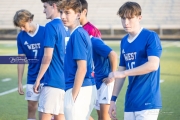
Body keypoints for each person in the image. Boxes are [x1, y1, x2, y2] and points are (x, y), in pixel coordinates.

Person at [108, 1, 162, 120]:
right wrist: (113, 100)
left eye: (130, 18)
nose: (126, 22)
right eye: (123, 18)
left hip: (148, 101)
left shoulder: (150, 36)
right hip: (131, 102)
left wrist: (124, 73)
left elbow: (153, 65)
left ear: (139, 18)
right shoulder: (124, 41)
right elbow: (121, 70)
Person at [60, 0, 97, 119]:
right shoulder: (78, 33)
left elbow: (82, 68)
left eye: (67, 13)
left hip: (80, 89)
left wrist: (73, 96)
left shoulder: (77, 34)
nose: (63, 16)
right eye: (61, 12)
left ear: (78, 14)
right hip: (83, 88)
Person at [33, 0, 69, 120]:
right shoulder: (67, 27)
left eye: (45, 7)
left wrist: (38, 79)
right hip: (65, 82)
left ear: (54, 6)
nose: (43, 10)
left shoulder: (51, 26)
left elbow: (47, 57)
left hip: (52, 81)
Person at [13, 9, 45, 120]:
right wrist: (20, 82)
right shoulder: (21, 37)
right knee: (31, 107)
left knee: (48, 110)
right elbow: (20, 59)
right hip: (32, 76)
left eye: (23, 25)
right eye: (20, 27)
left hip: (48, 77)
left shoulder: (45, 31)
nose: (22, 29)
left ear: (30, 19)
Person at [90, 37, 118, 120]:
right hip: (97, 82)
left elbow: (113, 55)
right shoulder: (81, 44)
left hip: (106, 83)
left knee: (105, 117)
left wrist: (112, 75)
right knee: (101, 117)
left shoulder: (94, 42)